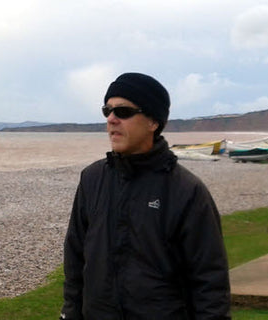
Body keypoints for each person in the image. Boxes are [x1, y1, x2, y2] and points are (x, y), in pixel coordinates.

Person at [60, 72, 231, 319]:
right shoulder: (92, 179)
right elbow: (75, 260)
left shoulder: (186, 191)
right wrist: (70, 313)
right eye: (107, 110)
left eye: (123, 112)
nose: (111, 119)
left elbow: (210, 283)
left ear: (153, 122)